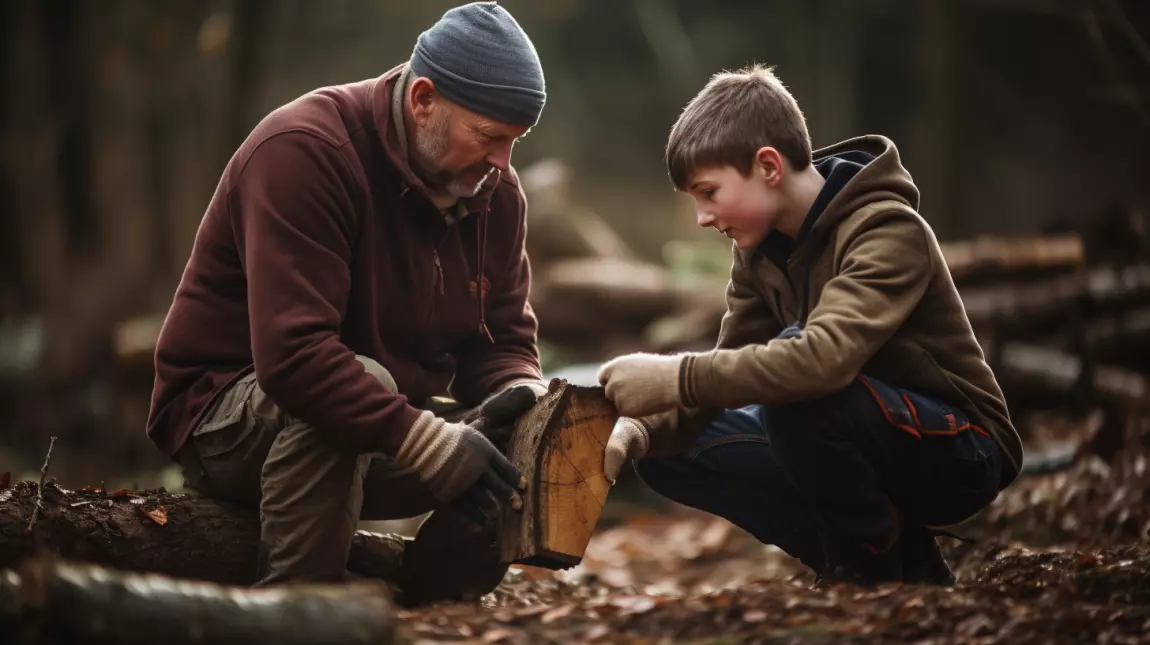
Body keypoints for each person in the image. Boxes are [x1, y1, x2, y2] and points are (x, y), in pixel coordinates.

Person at [146, 2, 550, 592]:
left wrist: (521, 392)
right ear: (423, 100)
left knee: (520, 424)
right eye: (489, 137)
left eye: (514, 142)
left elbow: (503, 339)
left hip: (376, 423)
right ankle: (297, 614)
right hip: (226, 419)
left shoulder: (494, 191)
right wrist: (426, 440)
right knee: (357, 383)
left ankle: (435, 601)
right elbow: (294, 358)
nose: (503, 163)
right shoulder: (304, 150)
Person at [596, 65, 1024, 587]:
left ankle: (864, 570)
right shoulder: (758, 254)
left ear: (769, 166)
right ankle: (890, 564)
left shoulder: (887, 228)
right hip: (850, 423)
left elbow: (822, 361)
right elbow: (724, 374)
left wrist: (673, 376)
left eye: (709, 193)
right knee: (667, 453)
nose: (703, 217)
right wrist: (638, 430)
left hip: (962, 449)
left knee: (796, 383)